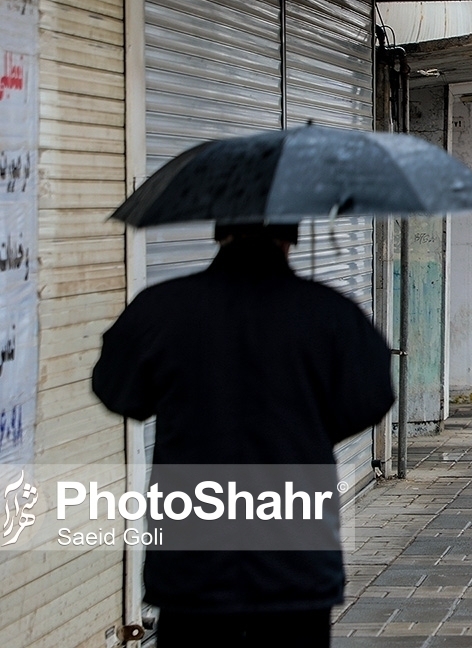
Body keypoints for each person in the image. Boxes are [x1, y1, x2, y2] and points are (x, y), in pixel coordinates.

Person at [92, 223, 395, 648]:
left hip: (192, 561)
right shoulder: (330, 313)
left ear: (221, 233)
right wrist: (309, 433)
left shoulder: (164, 307)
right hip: (295, 559)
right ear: (290, 238)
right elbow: (372, 396)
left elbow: (119, 391)